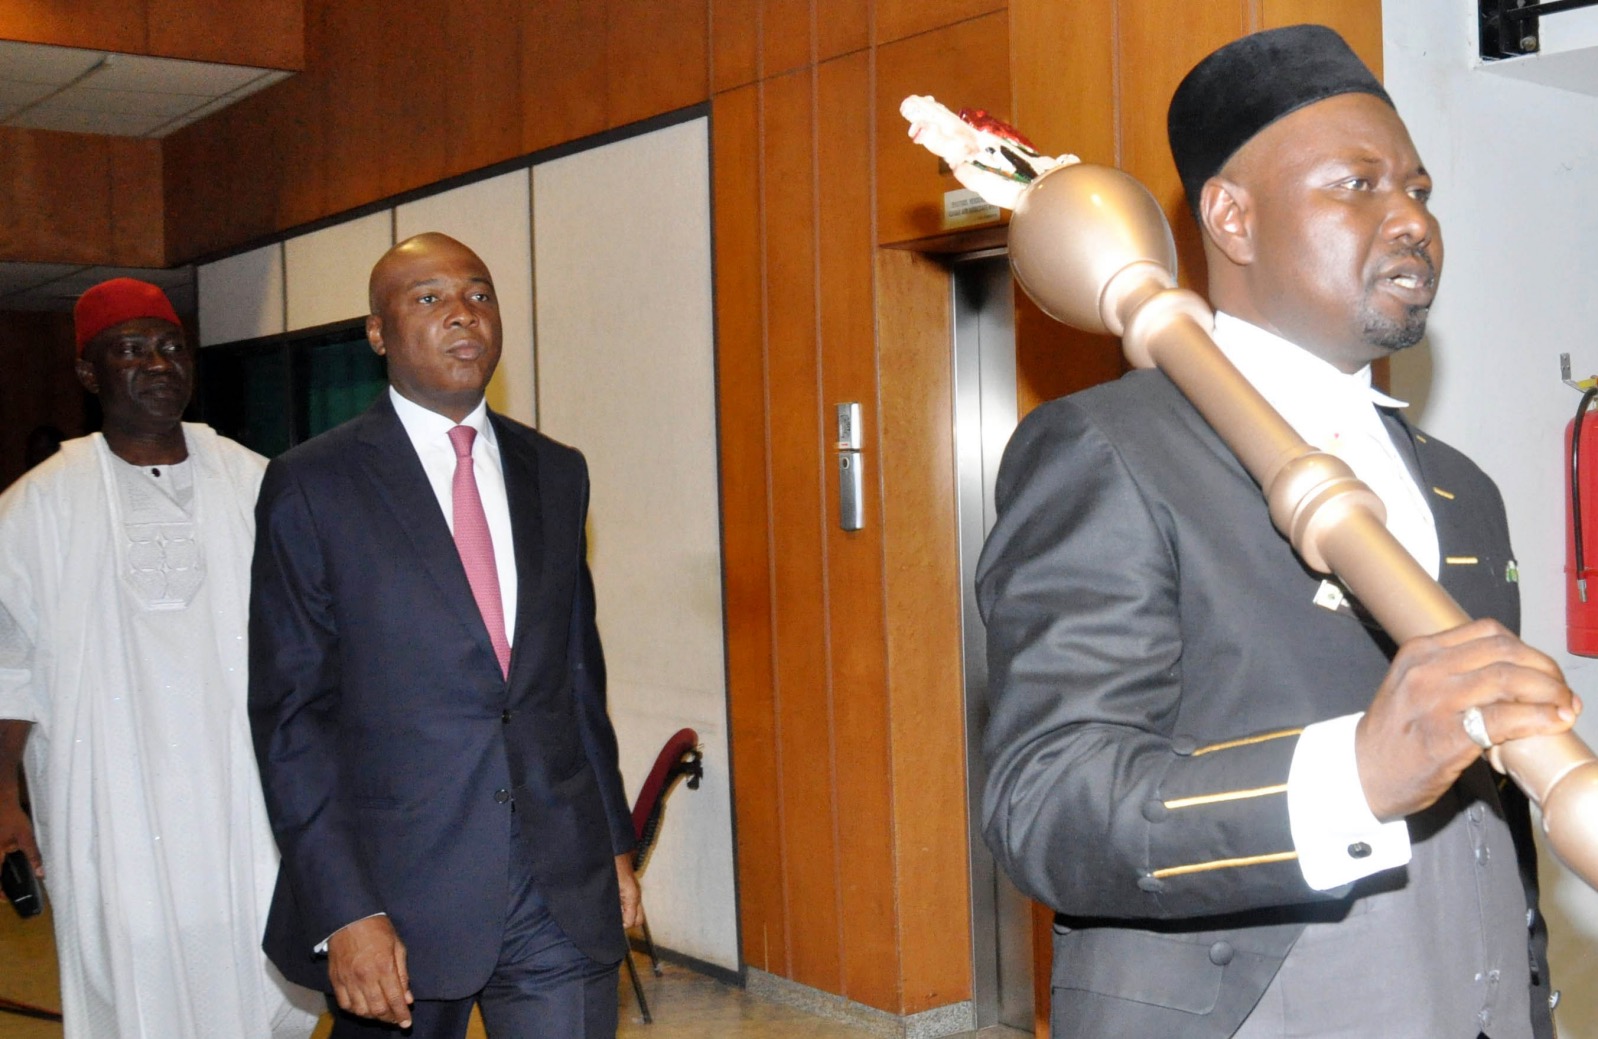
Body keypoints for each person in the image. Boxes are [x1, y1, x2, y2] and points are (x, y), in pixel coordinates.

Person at [977, 25, 1579, 1039]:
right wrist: (1358, 771)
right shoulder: (1105, 448)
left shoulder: (1460, 491)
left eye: (1419, 191)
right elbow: (1043, 804)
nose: (1410, 222)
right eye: (1355, 185)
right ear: (1230, 216)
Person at [249, 232, 642, 1038]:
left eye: (479, 293)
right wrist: (345, 909)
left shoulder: (556, 471)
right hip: (395, 900)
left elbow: (574, 678)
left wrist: (612, 843)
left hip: (556, 887)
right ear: (377, 332)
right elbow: (292, 718)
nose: (463, 314)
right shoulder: (312, 484)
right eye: (428, 298)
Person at [0, 278, 320, 1038]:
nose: (157, 364)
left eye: (171, 346)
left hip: (244, 798)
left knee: (262, 972)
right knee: (131, 976)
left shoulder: (257, 482)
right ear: (89, 373)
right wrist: (3, 796)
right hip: (107, 806)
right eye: (131, 349)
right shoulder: (34, 507)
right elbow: (8, 665)